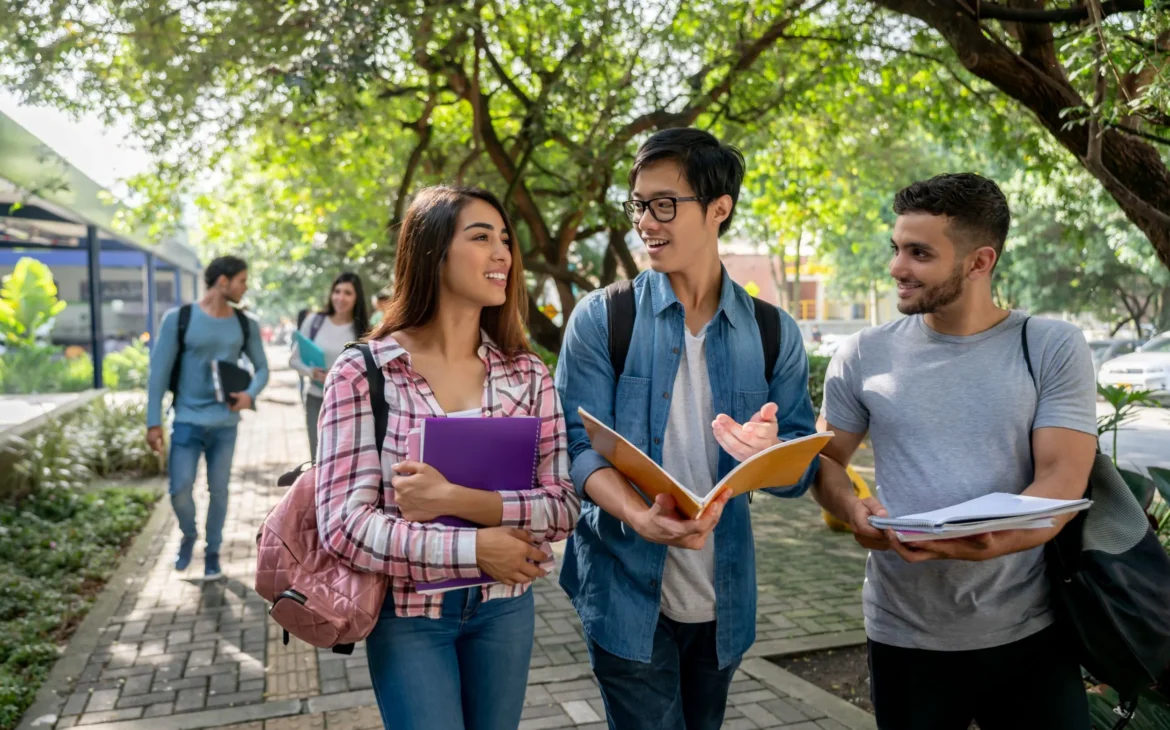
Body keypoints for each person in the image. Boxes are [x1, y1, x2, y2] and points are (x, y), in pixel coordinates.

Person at [554, 128, 820, 730]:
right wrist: (637, 515)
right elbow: (573, 447)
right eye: (639, 205)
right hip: (624, 588)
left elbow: (797, 473)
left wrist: (771, 453)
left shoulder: (774, 333)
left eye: (664, 204)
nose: (646, 221)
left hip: (722, 599)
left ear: (719, 209)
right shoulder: (603, 317)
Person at [811, 173, 1096, 730]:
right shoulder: (863, 353)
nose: (897, 267)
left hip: (1030, 631)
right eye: (896, 248)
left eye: (919, 253)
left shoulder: (1050, 346)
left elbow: (1063, 480)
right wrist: (851, 508)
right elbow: (824, 460)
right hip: (903, 634)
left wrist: (992, 542)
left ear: (979, 261)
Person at [314, 186, 580, 730]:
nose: (502, 253)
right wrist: (477, 547)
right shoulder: (364, 372)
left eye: (505, 240)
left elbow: (563, 505)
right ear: (432, 252)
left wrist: (458, 500)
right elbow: (343, 526)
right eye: (481, 238)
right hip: (409, 616)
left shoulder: (527, 373)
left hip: (505, 608)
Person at [146, 255, 270, 580]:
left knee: (220, 489)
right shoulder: (180, 318)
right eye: (242, 280)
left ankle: (213, 551)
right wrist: (152, 421)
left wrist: (249, 395)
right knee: (179, 489)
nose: (246, 287)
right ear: (223, 282)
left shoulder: (246, 323)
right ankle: (189, 534)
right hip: (186, 419)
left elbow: (263, 368)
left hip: (225, 424)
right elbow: (158, 373)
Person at [289, 272, 370, 461]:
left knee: (344, 461)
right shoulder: (315, 321)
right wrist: (311, 372)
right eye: (337, 291)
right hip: (317, 399)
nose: (340, 298)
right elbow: (293, 360)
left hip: (350, 404)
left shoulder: (363, 330)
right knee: (318, 460)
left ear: (357, 297)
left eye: (348, 293)